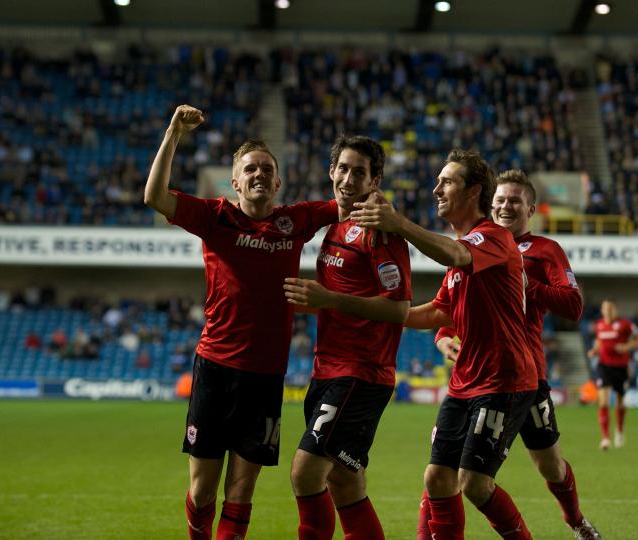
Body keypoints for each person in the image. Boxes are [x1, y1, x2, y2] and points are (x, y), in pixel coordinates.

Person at [145, 104, 339, 539]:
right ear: (234, 182)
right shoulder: (215, 217)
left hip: (266, 376)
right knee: (202, 491)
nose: (258, 174)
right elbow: (155, 197)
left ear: (277, 181)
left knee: (242, 490)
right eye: (249, 168)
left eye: (266, 169)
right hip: (215, 368)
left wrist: (374, 197)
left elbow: (345, 202)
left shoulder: (296, 221)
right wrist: (173, 133)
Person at [351, 149, 538, 539]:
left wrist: (399, 224)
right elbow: (435, 313)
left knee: (473, 482)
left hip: (503, 381)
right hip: (465, 381)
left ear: (473, 192)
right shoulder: (463, 253)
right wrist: (353, 307)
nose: (436, 188)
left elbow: (454, 253)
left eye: (447, 181)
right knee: (437, 478)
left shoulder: (494, 238)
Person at [433, 170, 601, 539]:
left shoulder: (545, 250)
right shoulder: (471, 246)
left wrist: (530, 283)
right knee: (444, 469)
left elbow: (573, 305)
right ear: (489, 205)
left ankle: (576, 521)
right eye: (500, 201)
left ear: (531, 209)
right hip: (482, 378)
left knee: (550, 466)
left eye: (514, 201)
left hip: (527, 376)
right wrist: (444, 337)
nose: (505, 206)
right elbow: (453, 306)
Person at [282, 135, 411, 539]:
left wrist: (328, 297)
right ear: (331, 172)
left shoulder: (380, 231)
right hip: (327, 369)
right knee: (345, 483)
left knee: (305, 473)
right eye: (343, 169)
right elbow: (338, 298)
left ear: (375, 181)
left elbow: (399, 309)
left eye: (360, 172)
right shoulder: (335, 224)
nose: (349, 179)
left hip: (360, 373)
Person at [587, 299, 638, 450]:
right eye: (605, 308)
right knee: (603, 401)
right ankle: (605, 438)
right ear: (602, 310)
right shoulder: (599, 325)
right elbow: (600, 342)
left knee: (620, 402)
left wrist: (627, 346)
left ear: (616, 310)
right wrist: (594, 351)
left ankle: (619, 430)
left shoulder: (626, 325)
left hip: (621, 367)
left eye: (611, 308)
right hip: (604, 366)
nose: (608, 311)